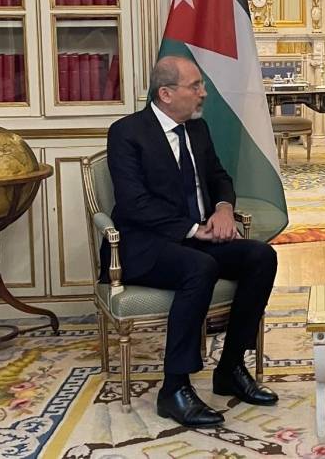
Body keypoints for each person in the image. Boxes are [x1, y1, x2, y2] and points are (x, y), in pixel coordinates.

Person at [106, 55, 279, 427]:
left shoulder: (198, 129)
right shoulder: (127, 133)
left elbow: (219, 177)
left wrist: (223, 208)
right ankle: (174, 388)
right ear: (166, 93)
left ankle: (230, 368)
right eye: (195, 86)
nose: (204, 93)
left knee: (261, 256)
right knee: (200, 266)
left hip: (195, 239)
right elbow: (134, 203)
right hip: (145, 245)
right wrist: (192, 229)